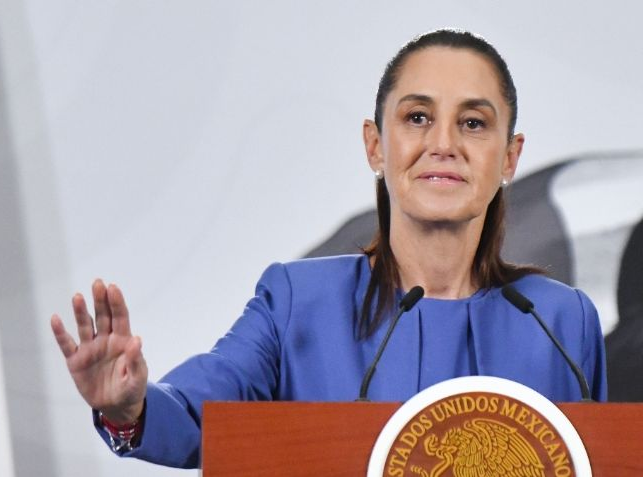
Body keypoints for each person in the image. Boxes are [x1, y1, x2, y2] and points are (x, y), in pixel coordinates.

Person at [50, 29, 607, 469]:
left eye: (473, 122)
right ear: (375, 145)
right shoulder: (298, 302)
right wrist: (132, 408)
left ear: (509, 157)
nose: (444, 144)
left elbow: (604, 460)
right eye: (417, 117)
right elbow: (203, 410)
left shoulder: (561, 322)